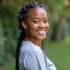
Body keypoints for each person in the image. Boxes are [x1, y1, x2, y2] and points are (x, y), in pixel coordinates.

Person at [16, 0, 57, 70]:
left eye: (45, 21)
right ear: (24, 24)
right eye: (35, 21)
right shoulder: (32, 52)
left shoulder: (29, 47)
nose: (42, 25)